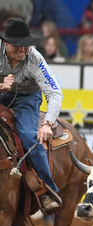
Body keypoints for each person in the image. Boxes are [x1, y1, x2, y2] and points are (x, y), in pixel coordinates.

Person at [0, 18, 63, 212]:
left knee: (29, 136)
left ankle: (48, 190)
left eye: (26, 45)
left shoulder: (35, 58)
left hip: (28, 99)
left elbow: (55, 93)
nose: (22, 50)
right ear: (6, 43)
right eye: (18, 46)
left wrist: (47, 124)